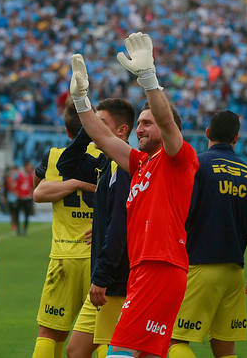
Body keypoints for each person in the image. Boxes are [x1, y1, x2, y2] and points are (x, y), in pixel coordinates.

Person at [69, 31, 199, 358]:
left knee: (119, 352)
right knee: (148, 354)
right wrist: (82, 100)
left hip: (160, 265)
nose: (139, 128)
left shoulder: (177, 158)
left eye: (146, 123)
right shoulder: (139, 164)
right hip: (146, 267)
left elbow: (168, 124)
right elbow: (101, 135)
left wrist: (149, 79)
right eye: (138, 123)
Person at [168, 110, 247, 358]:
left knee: (174, 341)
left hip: (198, 266)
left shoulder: (196, 165)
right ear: (236, 138)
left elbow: (179, 215)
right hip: (234, 273)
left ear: (207, 134)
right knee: (225, 349)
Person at [56, 98, 135, 358]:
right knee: (76, 350)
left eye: (101, 124)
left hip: (114, 280)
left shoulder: (123, 169)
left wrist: (101, 277)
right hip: (103, 278)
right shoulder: (106, 163)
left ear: (122, 131)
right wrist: (87, 131)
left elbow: (119, 227)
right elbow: (65, 166)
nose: (93, 128)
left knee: (113, 350)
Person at [31, 100, 99, 358]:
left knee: (50, 332)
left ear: (67, 129)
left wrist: (69, 183)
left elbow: (36, 189)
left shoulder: (53, 157)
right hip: (98, 259)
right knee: (102, 334)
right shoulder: (109, 156)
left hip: (64, 256)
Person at [17, 162, 35, 236]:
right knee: (17, 214)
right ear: (25, 167)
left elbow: (32, 186)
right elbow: (17, 185)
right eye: (28, 166)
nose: (30, 168)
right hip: (20, 198)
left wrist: (32, 192)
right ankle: (18, 229)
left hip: (28, 198)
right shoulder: (20, 175)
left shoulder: (31, 176)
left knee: (26, 215)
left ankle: (25, 229)